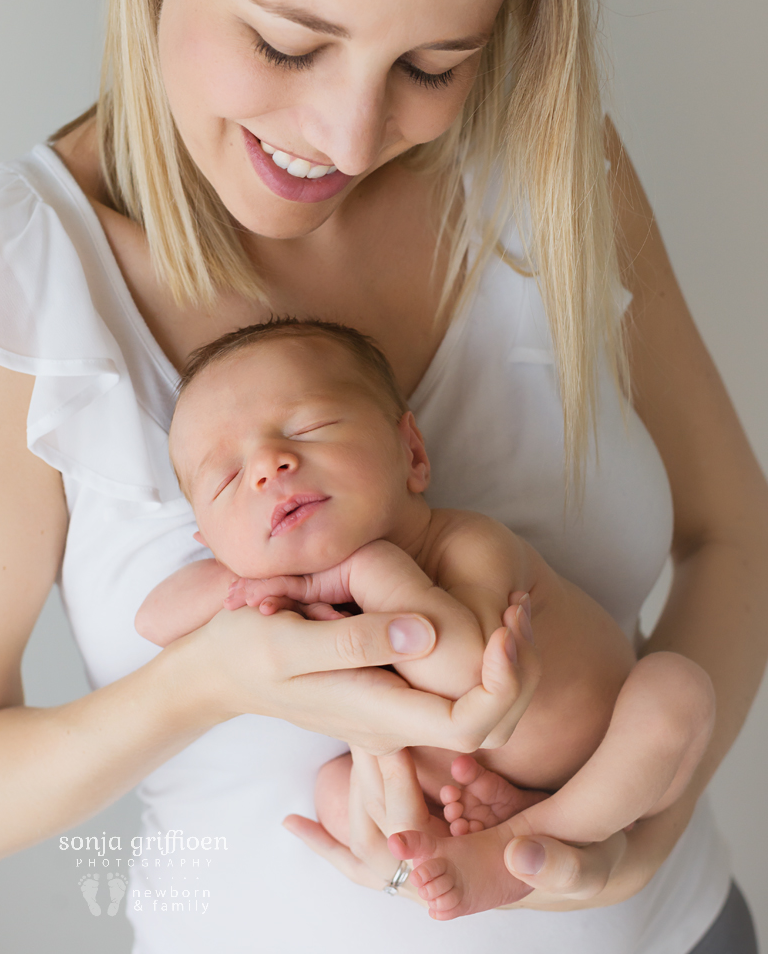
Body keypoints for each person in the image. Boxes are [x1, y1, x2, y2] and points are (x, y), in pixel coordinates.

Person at [0, 0, 764, 951]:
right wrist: (201, 682)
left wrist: (642, 807)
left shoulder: (543, 163)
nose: (345, 137)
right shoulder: (14, 269)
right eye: (289, 41)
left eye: (432, 65)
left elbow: (731, 533)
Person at [136, 315, 716, 920]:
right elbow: (154, 620)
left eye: (308, 428)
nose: (268, 466)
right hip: (452, 791)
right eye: (229, 479)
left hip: (605, 757)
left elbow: (467, 669)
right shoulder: (275, 586)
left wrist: (368, 572)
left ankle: (518, 843)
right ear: (209, 538)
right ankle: (446, 851)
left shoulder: (468, 545)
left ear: (411, 453)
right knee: (334, 794)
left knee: (678, 689)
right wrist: (245, 579)